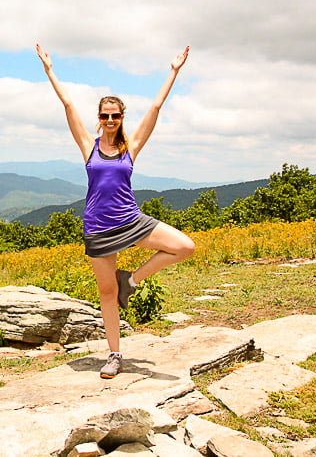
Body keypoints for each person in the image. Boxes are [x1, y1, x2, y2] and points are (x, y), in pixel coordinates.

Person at [36, 43, 195, 379]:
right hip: (97, 225)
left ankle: (132, 280)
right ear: (99, 119)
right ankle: (115, 354)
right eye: (105, 116)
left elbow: (155, 106)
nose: (110, 120)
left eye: (115, 115)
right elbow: (67, 105)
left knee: (185, 246)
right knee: (106, 293)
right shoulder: (87, 145)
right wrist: (50, 70)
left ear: (122, 118)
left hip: (131, 219)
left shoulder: (130, 146)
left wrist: (173, 70)